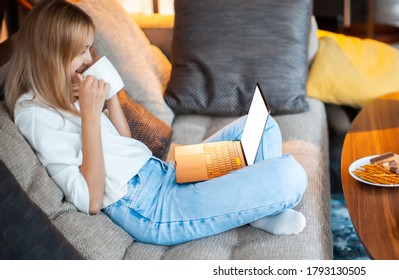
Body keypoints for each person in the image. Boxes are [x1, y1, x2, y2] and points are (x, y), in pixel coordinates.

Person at [5, 0, 307, 246]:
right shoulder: (33, 113)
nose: (89, 59)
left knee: (264, 126)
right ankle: (256, 201)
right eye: (81, 52)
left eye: (88, 48)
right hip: (151, 208)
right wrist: (88, 116)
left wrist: (111, 99)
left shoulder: (70, 90)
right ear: (52, 57)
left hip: (164, 173)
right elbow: (91, 200)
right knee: (290, 174)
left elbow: (129, 146)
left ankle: (253, 207)